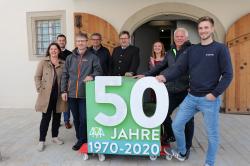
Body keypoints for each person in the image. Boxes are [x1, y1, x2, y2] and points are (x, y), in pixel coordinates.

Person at [156, 16, 233, 166]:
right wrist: (164, 77)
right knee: (176, 125)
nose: (203, 30)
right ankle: (182, 152)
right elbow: (179, 68)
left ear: (212, 29)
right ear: (198, 31)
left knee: (212, 135)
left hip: (209, 99)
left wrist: (215, 93)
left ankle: (209, 163)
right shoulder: (193, 50)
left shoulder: (220, 49)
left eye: (206, 27)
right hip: (191, 97)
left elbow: (228, 74)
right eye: (200, 28)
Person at [135, 28, 194, 158]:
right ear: (174, 38)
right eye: (177, 36)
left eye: (181, 36)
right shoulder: (170, 52)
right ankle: (172, 135)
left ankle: (187, 146)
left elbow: (197, 69)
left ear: (186, 38)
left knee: (188, 120)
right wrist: (145, 75)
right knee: (163, 115)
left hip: (186, 91)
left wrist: (193, 85)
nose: (179, 38)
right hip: (171, 90)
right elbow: (159, 67)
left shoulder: (192, 50)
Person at [61, 32, 103, 151]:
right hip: (72, 93)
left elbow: (99, 71)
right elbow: (64, 75)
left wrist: (92, 76)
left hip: (85, 93)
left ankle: (82, 140)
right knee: (76, 118)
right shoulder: (70, 58)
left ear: (86, 42)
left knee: (84, 118)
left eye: (83, 41)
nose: (80, 43)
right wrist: (63, 90)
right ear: (76, 42)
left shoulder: (93, 57)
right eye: (78, 41)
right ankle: (80, 137)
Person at [34, 42, 67, 152]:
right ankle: (41, 141)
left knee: (57, 117)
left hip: (58, 95)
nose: (53, 51)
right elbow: (37, 76)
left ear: (58, 51)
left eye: (55, 49)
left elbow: (66, 78)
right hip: (46, 95)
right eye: (51, 49)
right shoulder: (43, 62)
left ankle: (54, 137)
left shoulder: (63, 63)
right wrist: (39, 88)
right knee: (46, 118)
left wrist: (65, 90)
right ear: (49, 51)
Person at [56, 34, 72, 129]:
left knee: (66, 101)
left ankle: (66, 121)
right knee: (57, 102)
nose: (61, 42)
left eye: (63, 40)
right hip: (55, 80)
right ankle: (57, 121)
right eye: (60, 40)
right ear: (57, 41)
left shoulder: (70, 54)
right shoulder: (53, 52)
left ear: (65, 42)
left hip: (66, 80)